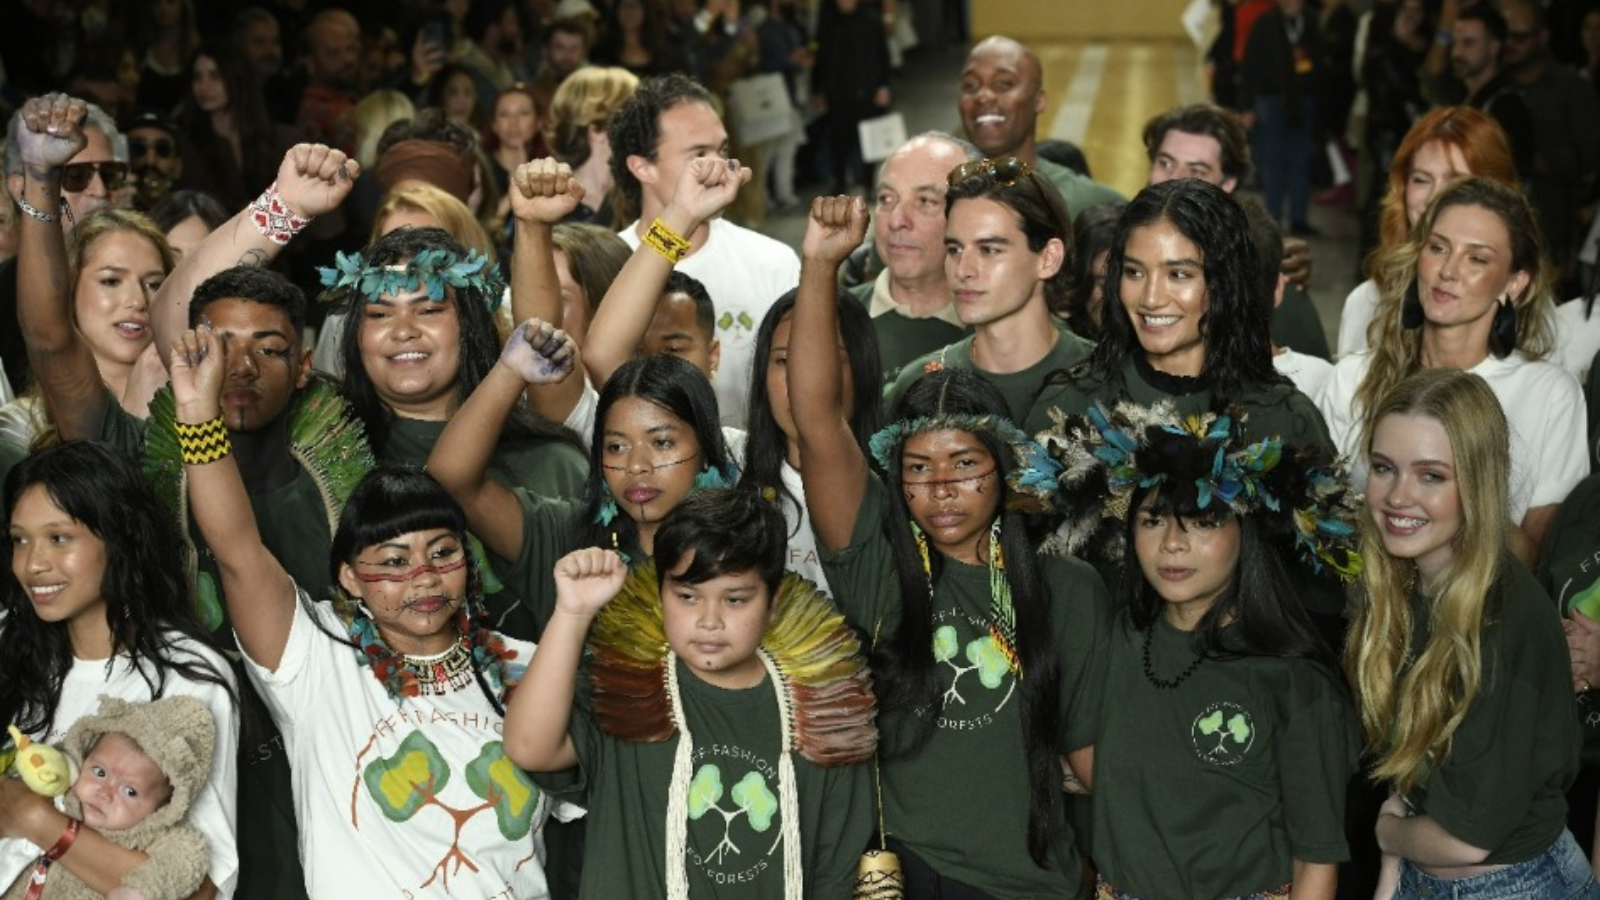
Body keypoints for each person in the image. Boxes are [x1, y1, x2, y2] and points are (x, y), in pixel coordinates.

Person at [171, 319, 559, 898]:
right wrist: (198, 415)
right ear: (350, 578)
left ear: (468, 562)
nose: (423, 576)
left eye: (442, 552)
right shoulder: (316, 658)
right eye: (394, 561)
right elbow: (237, 553)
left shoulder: (532, 669)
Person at [792, 198, 1108, 898]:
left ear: (1004, 469)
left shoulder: (1070, 590)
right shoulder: (877, 567)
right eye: (917, 468)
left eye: (965, 463)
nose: (940, 487)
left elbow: (1089, 759)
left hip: (1032, 884)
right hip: (912, 874)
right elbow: (816, 419)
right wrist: (820, 264)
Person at [1042, 398, 1361, 900]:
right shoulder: (1119, 640)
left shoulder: (1294, 681)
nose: (1172, 543)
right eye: (1153, 520)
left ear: (1246, 532)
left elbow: (1316, 862)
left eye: (1204, 521)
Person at [506, 489, 876, 898]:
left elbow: (836, 873)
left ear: (773, 605)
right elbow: (529, 746)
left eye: (735, 600)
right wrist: (573, 612)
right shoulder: (625, 691)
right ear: (661, 597)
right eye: (687, 597)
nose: (709, 621)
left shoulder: (822, 712)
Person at [1347, 367, 1595, 899]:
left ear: (1476, 484)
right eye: (1385, 468)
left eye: (1431, 475)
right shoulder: (1403, 585)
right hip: (1422, 874)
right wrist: (1392, 871)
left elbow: (1466, 841)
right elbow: (1410, 770)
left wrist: (1385, 831)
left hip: (1516, 886)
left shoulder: (1505, 619)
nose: (1398, 496)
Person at [0, 442, 238, 900]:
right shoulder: (12, 645)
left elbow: (203, 891)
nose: (33, 564)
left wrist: (38, 821)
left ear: (120, 539)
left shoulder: (186, 676)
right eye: (19, 539)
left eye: (59, 537)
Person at [1318, 177, 1584, 566]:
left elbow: (1539, 562)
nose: (1448, 271)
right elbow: (1317, 528)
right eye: (1438, 248)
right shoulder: (1353, 377)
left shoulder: (1549, 393)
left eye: (1477, 258)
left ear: (1515, 282)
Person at [430, 325, 737, 626]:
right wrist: (510, 373)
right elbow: (451, 479)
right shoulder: (566, 537)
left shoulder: (746, 543)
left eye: (661, 443)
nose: (636, 466)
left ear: (707, 451)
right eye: (616, 446)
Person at [1027, 179, 1330, 448]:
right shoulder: (1068, 405)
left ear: (1225, 281)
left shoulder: (1284, 420)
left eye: (1179, 274)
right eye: (1134, 272)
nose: (1151, 298)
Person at [607, 73, 800, 427]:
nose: (720, 168)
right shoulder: (606, 265)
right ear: (642, 167)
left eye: (723, 150)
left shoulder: (774, 262)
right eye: (699, 154)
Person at [883, 157, 1091, 426]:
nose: (963, 270)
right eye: (954, 249)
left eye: (989, 250)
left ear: (1048, 258)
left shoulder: (1107, 383)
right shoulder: (919, 386)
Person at [1337, 107, 1519, 358]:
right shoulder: (1365, 302)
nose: (1434, 198)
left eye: (1457, 183)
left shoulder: (1539, 324)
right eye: (1421, 180)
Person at [0, 695, 217, 900]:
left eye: (130, 791)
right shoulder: (59, 795)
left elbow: (182, 865)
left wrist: (140, 890)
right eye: (99, 772)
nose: (104, 793)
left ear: (164, 807)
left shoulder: (157, 836)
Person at [3, 208, 173, 453]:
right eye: (111, 281)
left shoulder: (198, 405)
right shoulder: (22, 427)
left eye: (154, 284)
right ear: (70, 293)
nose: (138, 300)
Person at [851, 133, 975, 381]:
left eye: (925, 202)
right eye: (886, 199)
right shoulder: (832, 319)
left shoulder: (1003, 331)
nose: (897, 221)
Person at [957, 36, 1124, 216]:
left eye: (1003, 84)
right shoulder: (937, 193)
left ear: (1039, 100)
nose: (983, 96)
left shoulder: (1092, 204)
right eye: (970, 86)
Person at [175, 43, 296, 212]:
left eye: (215, 76)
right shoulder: (187, 143)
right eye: (197, 77)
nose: (204, 86)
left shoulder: (277, 138)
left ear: (237, 78)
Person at [545, 66, 639, 226]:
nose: (647, 128)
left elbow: (671, 249)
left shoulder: (643, 196)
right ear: (597, 129)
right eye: (634, 118)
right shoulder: (545, 206)